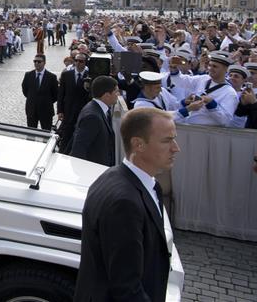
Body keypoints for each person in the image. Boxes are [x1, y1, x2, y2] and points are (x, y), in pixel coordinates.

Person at [75, 108, 179, 302]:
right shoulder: (124, 204)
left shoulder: (118, 176)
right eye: (167, 140)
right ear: (138, 144)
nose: (176, 148)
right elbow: (126, 288)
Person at [167, 52, 238, 126]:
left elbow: (225, 120)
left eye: (215, 66)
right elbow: (181, 81)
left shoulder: (230, 93)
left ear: (225, 69)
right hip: (190, 126)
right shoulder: (204, 79)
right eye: (209, 65)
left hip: (209, 132)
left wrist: (211, 103)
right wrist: (174, 68)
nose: (210, 68)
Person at [70, 76, 121, 167]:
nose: (118, 95)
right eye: (116, 92)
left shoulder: (101, 110)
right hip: (93, 173)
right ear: (107, 95)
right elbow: (78, 150)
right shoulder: (92, 117)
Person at [56, 53, 91, 151]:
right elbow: (61, 94)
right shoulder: (66, 74)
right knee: (66, 136)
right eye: (76, 60)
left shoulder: (90, 75)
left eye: (81, 61)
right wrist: (60, 111)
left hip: (83, 112)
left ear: (85, 62)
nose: (78, 63)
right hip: (68, 111)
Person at [20, 53, 58, 130]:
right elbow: (25, 90)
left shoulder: (52, 77)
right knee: (31, 133)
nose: (36, 63)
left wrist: (46, 101)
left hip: (46, 110)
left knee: (46, 132)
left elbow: (55, 94)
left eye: (39, 61)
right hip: (31, 110)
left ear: (44, 63)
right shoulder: (28, 75)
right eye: (35, 61)